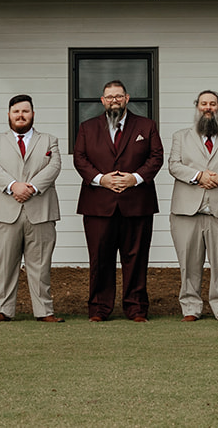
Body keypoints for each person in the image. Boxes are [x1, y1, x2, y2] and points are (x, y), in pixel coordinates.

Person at [72, 79, 164, 321]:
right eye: (109, 97)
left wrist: (135, 178)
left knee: (136, 258)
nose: (114, 100)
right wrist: (101, 179)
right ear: (103, 101)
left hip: (137, 203)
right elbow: (80, 159)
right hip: (98, 204)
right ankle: (99, 309)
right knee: (100, 259)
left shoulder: (146, 125)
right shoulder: (87, 127)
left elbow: (156, 157)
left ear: (127, 98)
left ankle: (136, 309)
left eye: (118, 96)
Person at [0, 94, 64, 322]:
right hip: (5, 212)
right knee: (6, 264)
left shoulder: (49, 140)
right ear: (9, 115)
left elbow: (54, 166)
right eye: (16, 111)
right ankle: (3, 310)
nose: (20, 115)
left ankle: (44, 311)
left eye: (25, 111)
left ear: (33, 114)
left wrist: (32, 188)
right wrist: (13, 186)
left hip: (40, 210)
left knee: (40, 265)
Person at [167, 90, 218, 321]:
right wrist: (199, 175)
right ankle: (191, 308)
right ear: (197, 107)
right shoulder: (180, 136)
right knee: (188, 263)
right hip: (187, 211)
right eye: (204, 104)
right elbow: (174, 165)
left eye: (212, 104)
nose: (208, 108)